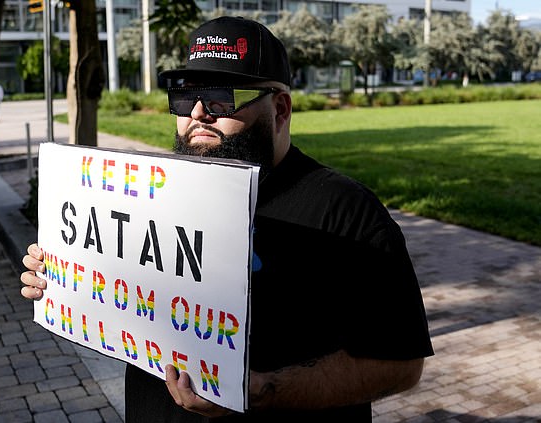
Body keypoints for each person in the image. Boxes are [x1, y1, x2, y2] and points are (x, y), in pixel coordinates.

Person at [21, 16, 433, 422]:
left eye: (221, 97)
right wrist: (66, 276)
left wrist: (263, 391)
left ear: (281, 109)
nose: (198, 112)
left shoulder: (346, 213)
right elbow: (122, 297)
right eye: (184, 96)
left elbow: (401, 364)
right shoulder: (153, 195)